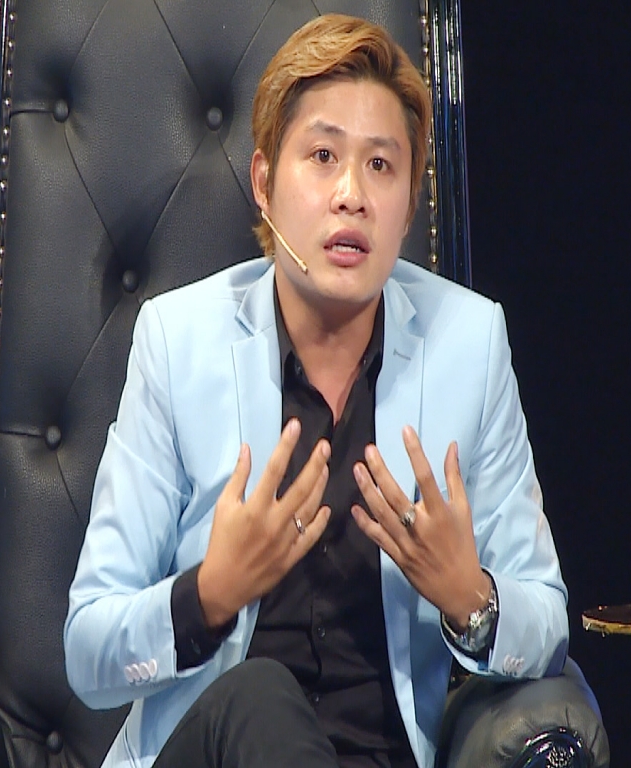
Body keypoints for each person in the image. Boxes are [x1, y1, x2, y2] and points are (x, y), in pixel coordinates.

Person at [64, 13, 568, 768]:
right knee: (260, 694)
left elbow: (547, 619)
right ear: (265, 184)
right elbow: (89, 650)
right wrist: (209, 595)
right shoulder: (178, 342)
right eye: (323, 156)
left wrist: (471, 599)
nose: (351, 195)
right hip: (215, 749)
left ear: (409, 202)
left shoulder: (470, 343)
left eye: (381, 166)